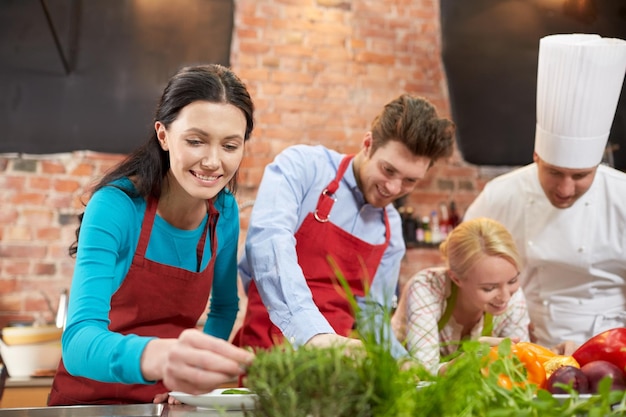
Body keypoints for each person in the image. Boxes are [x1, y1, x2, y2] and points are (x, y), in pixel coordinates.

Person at [48, 64, 256, 405]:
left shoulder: (225, 213)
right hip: (89, 403)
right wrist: (160, 357)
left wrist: (190, 385)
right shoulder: (116, 206)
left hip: (166, 402)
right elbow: (78, 343)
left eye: (230, 146)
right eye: (195, 141)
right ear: (163, 135)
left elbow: (224, 307)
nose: (213, 162)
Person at [233, 94, 456, 359]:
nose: (394, 188)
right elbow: (268, 247)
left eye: (410, 180)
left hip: (334, 371)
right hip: (266, 356)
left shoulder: (391, 230)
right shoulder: (302, 168)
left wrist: (404, 364)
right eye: (388, 170)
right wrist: (313, 334)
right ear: (368, 144)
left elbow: (373, 319)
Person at [464, 34, 626, 354]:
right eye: (553, 172)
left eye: (580, 176)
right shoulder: (501, 195)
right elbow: (461, 267)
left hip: (613, 351)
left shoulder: (622, 195)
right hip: (523, 347)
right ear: (536, 156)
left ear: (599, 163)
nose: (565, 190)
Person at [391, 217, 530, 374]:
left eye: (512, 280)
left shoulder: (514, 296)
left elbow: (521, 367)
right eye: (489, 288)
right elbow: (423, 372)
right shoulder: (427, 287)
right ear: (456, 278)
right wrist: (466, 360)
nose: (505, 297)